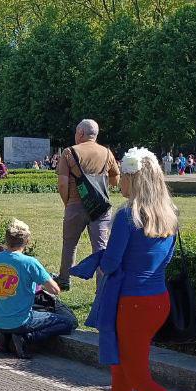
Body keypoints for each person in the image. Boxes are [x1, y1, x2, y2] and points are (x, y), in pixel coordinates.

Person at [73, 148, 196, 391]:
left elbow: (112, 264)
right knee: (124, 367)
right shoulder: (169, 212)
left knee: (139, 376)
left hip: (132, 302)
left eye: (124, 177)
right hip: (158, 298)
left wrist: (98, 259)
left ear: (134, 177)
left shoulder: (128, 215)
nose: (120, 182)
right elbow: (165, 259)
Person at [0, 220, 76, 357]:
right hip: (21, 321)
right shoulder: (30, 263)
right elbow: (55, 290)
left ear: (6, 239)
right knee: (69, 322)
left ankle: (3, 337)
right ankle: (27, 337)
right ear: (27, 241)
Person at [55, 119, 119, 290]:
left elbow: (62, 183)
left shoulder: (69, 152)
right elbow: (115, 179)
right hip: (101, 207)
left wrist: (68, 202)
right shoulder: (107, 152)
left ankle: (64, 279)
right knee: (101, 247)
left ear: (81, 133)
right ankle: (102, 285)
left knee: (70, 243)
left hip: (75, 204)